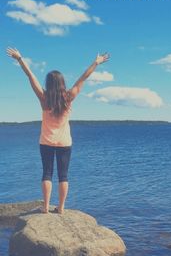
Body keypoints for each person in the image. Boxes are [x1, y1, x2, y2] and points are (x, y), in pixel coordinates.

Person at [7, 47, 109, 214]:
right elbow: (83, 78)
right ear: (62, 83)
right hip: (64, 142)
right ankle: (61, 208)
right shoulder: (68, 98)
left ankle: (46, 207)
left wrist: (20, 59)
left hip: (46, 141)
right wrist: (96, 63)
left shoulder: (43, 98)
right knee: (63, 175)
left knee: (47, 173)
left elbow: (30, 76)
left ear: (48, 83)